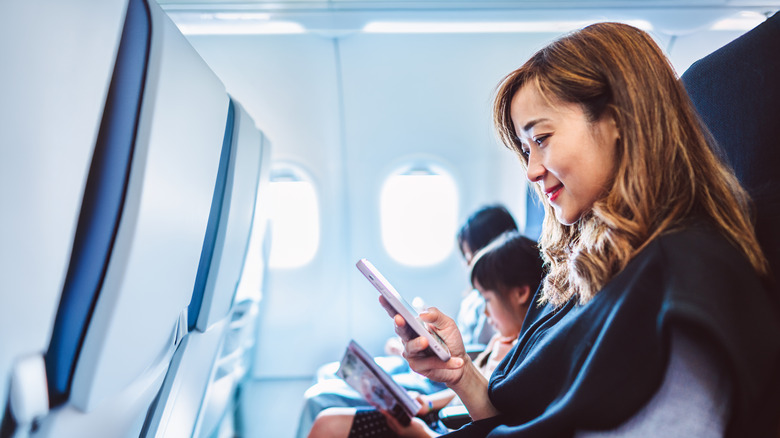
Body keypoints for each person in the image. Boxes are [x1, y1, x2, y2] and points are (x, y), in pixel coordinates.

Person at [384, 22, 780, 437]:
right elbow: (520, 420)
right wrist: (460, 372)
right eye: (525, 150)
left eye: (542, 138)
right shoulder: (573, 275)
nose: (533, 170)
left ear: (618, 121)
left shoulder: (682, 276)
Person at [295, 205, 519, 438]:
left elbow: (482, 387)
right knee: (329, 378)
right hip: (440, 394)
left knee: (321, 403)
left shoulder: (507, 333)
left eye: (470, 255)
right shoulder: (485, 313)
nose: (486, 313)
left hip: (442, 398)